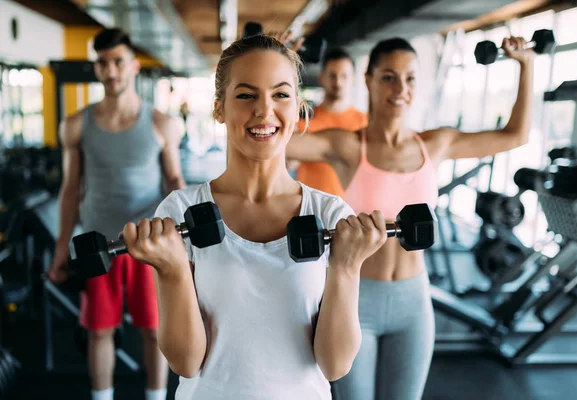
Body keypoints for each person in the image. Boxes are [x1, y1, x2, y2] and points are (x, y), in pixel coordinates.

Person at [119, 34, 389, 399]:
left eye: (280, 95)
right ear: (219, 108)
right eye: (246, 95)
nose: (264, 111)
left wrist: (346, 267)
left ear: (298, 110)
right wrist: (172, 271)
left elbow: (335, 365)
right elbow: (186, 363)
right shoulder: (180, 211)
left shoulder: (330, 214)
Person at [286, 36, 534, 400]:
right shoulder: (348, 147)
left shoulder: (435, 144)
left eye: (410, 78)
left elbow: (516, 135)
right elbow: (275, 141)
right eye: (388, 77)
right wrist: (280, 65)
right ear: (368, 80)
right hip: (357, 300)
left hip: (414, 300)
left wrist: (526, 65)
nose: (400, 88)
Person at [48, 28, 186, 400]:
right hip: (96, 244)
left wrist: (183, 243)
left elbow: (174, 181)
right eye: (103, 63)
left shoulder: (161, 123)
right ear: (96, 67)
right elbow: (70, 190)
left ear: (134, 66)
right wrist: (62, 249)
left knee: (155, 329)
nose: (111, 71)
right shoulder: (76, 125)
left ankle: (156, 397)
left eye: (118, 62)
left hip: (146, 242)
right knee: (99, 330)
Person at [293, 48, 368, 196]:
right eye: (332, 75)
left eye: (344, 76)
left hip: (352, 210)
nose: (338, 82)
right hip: (311, 208)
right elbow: (290, 163)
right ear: (322, 78)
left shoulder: (366, 122)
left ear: (353, 80)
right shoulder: (304, 120)